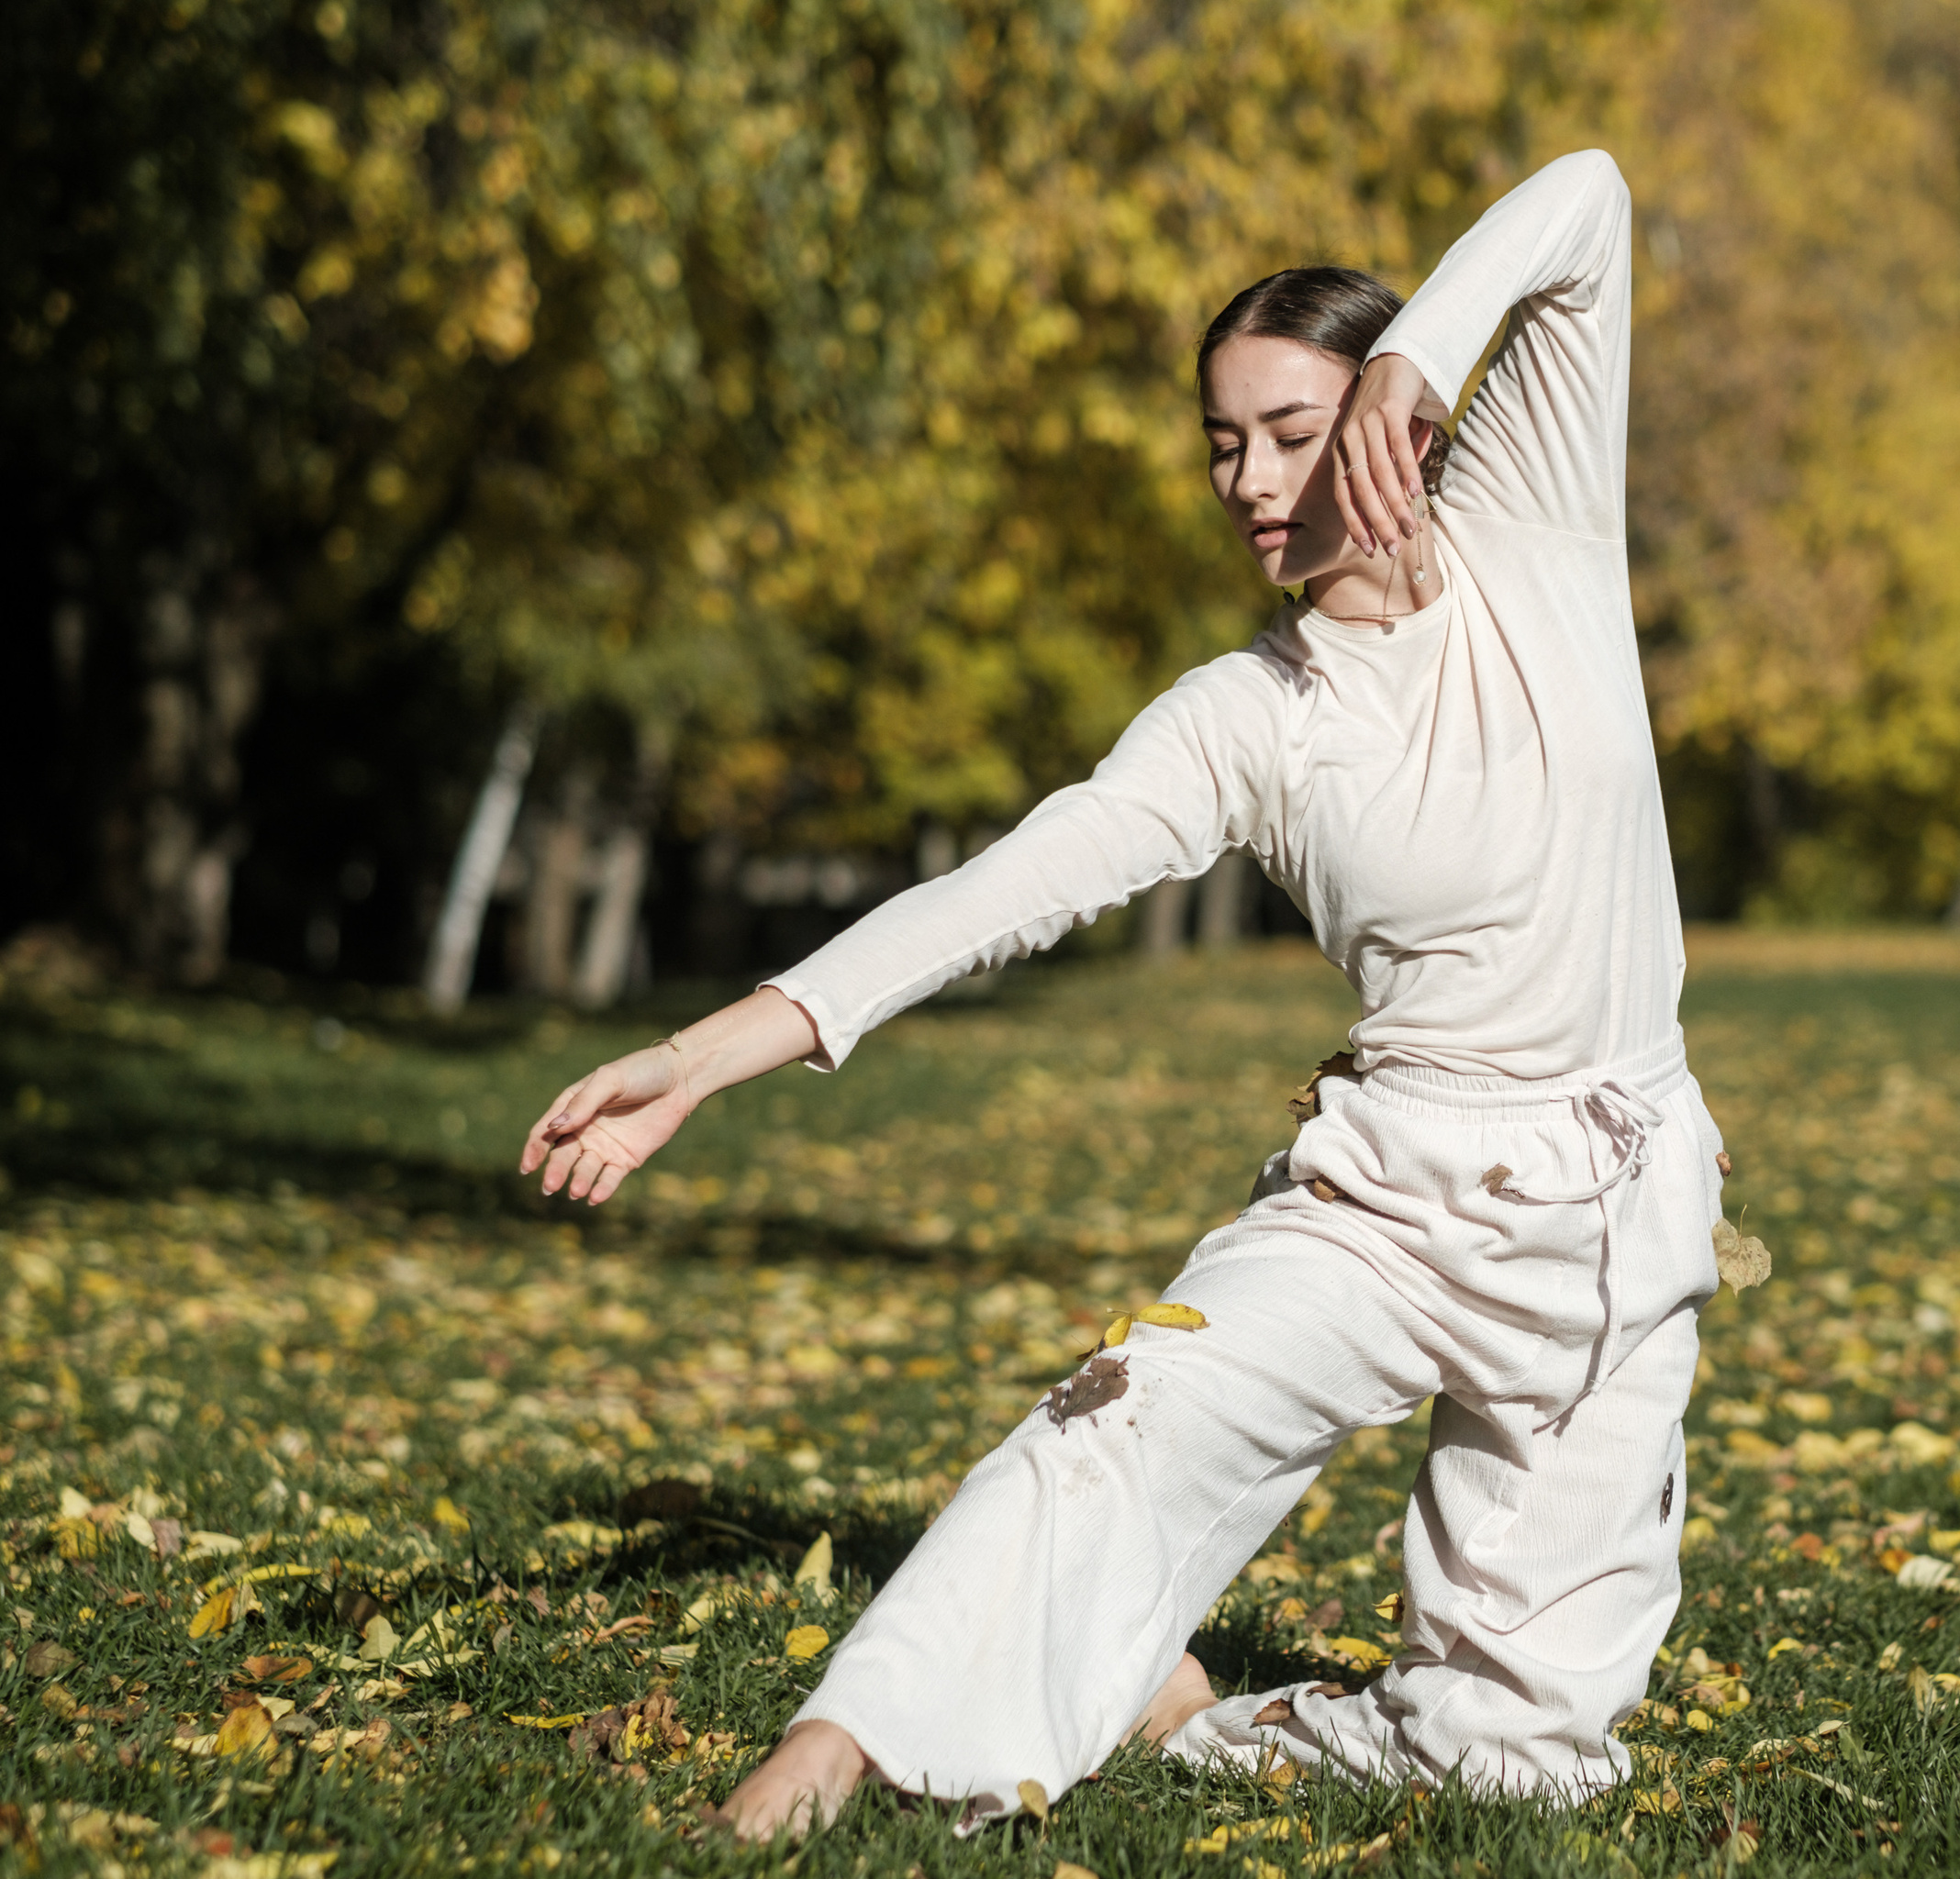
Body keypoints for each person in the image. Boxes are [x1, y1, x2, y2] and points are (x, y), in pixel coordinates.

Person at [518, 146, 1725, 1842]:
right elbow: (1000, 892)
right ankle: (833, 1752)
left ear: (1395, 427)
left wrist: (1420, 351)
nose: (1247, 479)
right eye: (1224, 443)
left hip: (1608, 1226)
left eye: (1292, 434)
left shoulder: (1539, 531)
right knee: (1119, 1421)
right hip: (1387, 1196)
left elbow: (1595, 194)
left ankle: (1184, 1717)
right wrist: (702, 1057)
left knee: (1521, 1769)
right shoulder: (1251, 713)